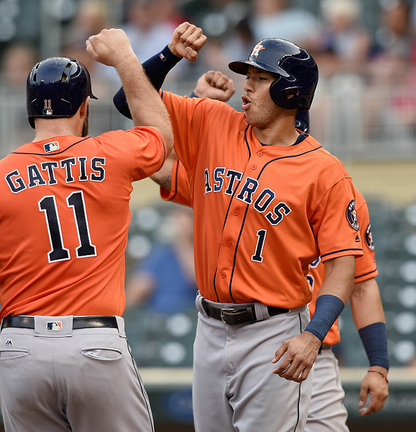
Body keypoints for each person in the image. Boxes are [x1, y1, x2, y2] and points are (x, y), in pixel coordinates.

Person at [0, 28, 174, 432]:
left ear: (31, 111)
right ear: (83, 108)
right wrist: (125, 59)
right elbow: (161, 135)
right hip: (94, 343)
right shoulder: (112, 153)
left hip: (21, 350)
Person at [113, 23, 361, 432]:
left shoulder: (325, 172)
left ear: (291, 91)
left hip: (274, 330)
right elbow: (129, 100)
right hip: (209, 325)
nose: (247, 86)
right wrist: (169, 56)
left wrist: (314, 335)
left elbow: (342, 266)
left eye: (261, 78)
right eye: (249, 76)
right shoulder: (214, 121)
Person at [155, 70, 391, 429]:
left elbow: (361, 284)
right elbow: (165, 165)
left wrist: (378, 364)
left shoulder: (335, 188)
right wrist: (198, 107)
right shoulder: (234, 176)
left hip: (312, 345)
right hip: (237, 335)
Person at [124, 206, 197, 315]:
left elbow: (196, 280)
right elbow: (135, 291)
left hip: (189, 314)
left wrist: (183, 242)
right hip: (159, 315)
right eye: (177, 218)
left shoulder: (201, 253)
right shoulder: (161, 253)